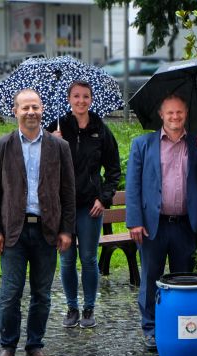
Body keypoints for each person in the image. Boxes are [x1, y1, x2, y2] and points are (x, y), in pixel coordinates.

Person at [0, 89, 76, 356]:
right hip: (13, 231)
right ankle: (7, 347)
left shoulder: (59, 147)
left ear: (43, 109)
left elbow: (68, 193)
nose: (30, 112)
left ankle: (34, 346)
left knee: (42, 294)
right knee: (11, 292)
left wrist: (66, 230)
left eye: (35, 107)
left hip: (47, 231)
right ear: (15, 111)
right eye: (25, 108)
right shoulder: (1, 145)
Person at [126, 94, 197, 351]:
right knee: (150, 277)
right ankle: (151, 329)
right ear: (161, 115)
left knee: (183, 279)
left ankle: (179, 326)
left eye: (179, 112)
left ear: (186, 113)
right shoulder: (143, 144)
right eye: (170, 113)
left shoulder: (196, 143)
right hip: (153, 224)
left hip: (184, 225)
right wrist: (134, 221)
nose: (175, 117)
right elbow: (132, 186)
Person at [48, 80, 122, 329]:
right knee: (67, 260)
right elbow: (40, 163)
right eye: (76, 96)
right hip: (64, 206)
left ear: (91, 99)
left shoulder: (100, 129)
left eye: (86, 96)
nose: (81, 101)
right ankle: (72, 308)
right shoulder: (58, 126)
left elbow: (114, 169)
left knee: (89, 258)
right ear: (69, 99)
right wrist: (51, 141)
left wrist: (105, 197)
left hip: (91, 206)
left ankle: (89, 308)